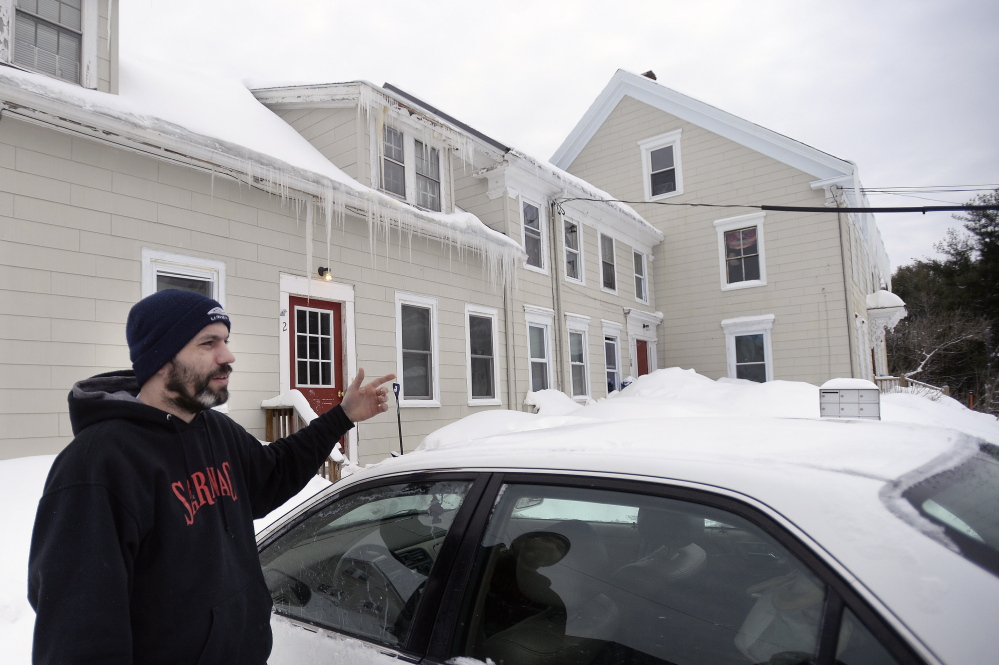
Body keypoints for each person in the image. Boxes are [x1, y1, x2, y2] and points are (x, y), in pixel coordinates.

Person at [27, 289, 395, 665]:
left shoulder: (214, 430)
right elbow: (78, 633)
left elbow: (273, 473)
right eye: (208, 343)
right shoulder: (98, 464)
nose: (228, 356)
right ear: (159, 359)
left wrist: (342, 416)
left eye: (226, 340)